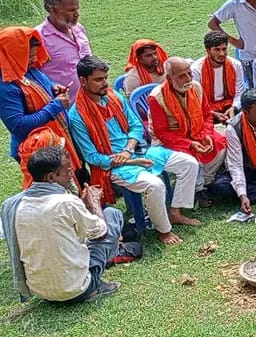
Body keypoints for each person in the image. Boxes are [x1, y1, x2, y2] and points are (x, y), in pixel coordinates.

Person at [69, 55, 200, 244]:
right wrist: (131, 160)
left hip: (138, 150)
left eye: (105, 78)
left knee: (189, 163)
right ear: (83, 81)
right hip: (115, 166)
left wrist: (129, 150)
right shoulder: (77, 116)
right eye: (98, 80)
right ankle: (163, 231)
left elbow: (136, 126)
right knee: (155, 185)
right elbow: (93, 158)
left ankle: (175, 212)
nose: (105, 83)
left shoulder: (115, 97)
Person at [1, 146, 123, 302]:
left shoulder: (11, 204)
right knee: (112, 214)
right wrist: (94, 204)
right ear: (51, 177)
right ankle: (94, 286)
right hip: (76, 290)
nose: (71, 175)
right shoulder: (66, 202)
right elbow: (100, 231)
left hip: (40, 291)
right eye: (68, 171)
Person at [0, 27, 82, 188]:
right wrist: (55, 107)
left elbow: (39, 85)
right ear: (14, 55)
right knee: (57, 192)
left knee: (76, 181)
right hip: (38, 151)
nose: (34, 60)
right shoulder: (6, 87)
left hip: (58, 138)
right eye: (29, 56)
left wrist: (53, 87)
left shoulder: (26, 69)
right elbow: (18, 126)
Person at [149, 57, 228, 208]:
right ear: (169, 79)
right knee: (190, 157)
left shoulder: (196, 87)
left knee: (221, 143)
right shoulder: (156, 97)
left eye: (189, 73)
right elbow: (161, 133)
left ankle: (206, 182)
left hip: (198, 132)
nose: (188, 78)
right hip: (171, 140)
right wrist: (190, 143)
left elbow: (206, 115)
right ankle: (198, 190)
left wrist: (207, 134)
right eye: (181, 76)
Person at [36, 0, 91, 101]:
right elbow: (32, 75)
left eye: (77, 9)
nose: (76, 14)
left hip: (90, 100)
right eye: (71, 10)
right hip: (62, 105)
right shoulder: (39, 37)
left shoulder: (79, 28)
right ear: (53, 10)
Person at [191, 31, 246, 124]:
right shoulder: (196, 69)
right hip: (206, 108)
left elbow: (239, 91)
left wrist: (233, 108)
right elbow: (195, 99)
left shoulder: (235, 65)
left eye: (224, 49)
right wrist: (212, 113)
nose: (222, 54)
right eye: (217, 50)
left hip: (230, 105)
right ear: (208, 51)